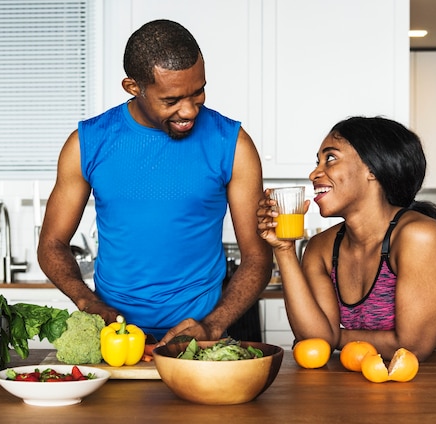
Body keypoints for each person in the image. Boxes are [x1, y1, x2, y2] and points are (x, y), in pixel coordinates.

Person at [38, 19, 272, 344]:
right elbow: (51, 245)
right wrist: (87, 301)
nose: (189, 110)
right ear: (133, 87)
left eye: (198, 92)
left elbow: (257, 257)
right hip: (116, 337)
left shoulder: (233, 144)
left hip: (201, 336)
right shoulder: (87, 143)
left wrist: (213, 325)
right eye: (171, 100)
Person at [257, 116, 436, 361]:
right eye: (317, 161)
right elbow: (316, 341)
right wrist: (284, 250)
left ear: (372, 168)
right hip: (373, 366)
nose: (314, 173)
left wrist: (336, 338)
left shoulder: (420, 236)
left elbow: (412, 348)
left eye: (330, 158)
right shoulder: (321, 247)